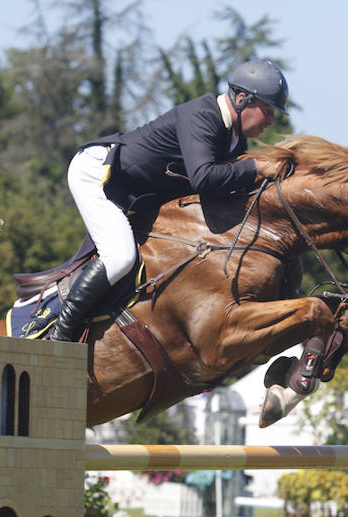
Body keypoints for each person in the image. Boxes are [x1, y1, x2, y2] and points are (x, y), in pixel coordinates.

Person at [48, 59, 289, 342]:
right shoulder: (203, 115)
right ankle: (60, 335)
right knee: (120, 257)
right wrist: (255, 168)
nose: (272, 121)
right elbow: (204, 177)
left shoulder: (235, 139)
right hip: (99, 174)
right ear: (241, 99)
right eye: (268, 110)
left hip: (134, 191)